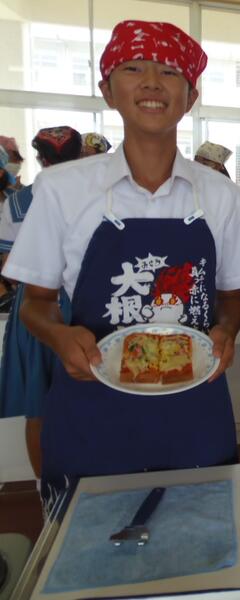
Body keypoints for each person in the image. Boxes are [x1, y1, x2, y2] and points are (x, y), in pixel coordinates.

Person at [2, 20, 240, 504]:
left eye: (170, 72)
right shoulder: (62, 190)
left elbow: (232, 298)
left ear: (191, 96)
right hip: (92, 411)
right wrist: (59, 336)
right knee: (89, 545)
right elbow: (35, 303)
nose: (152, 83)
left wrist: (226, 330)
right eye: (134, 69)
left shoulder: (222, 196)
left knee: (198, 538)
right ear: (107, 90)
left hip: (193, 413)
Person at [0, 126, 82, 477]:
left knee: (38, 408)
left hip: (35, 305)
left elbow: (10, 265)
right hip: (83, 304)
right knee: (88, 397)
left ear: (39, 158)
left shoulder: (18, 201)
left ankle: (44, 489)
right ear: (80, 156)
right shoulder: (95, 196)